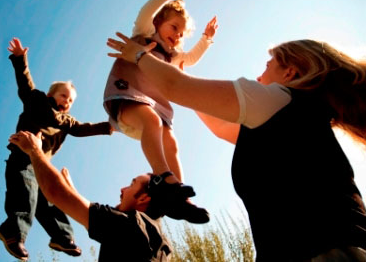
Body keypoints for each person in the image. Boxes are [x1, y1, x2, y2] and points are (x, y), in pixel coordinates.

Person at [107, 33, 366, 261]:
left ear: (290, 73)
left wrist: (138, 54)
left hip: (328, 252)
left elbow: (175, 87)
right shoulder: (285, 115)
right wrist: (182, 76)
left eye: (268, 66)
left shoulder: (279, 98)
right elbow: (218, 124)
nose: (258, 75)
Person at [103, 0, 217, 224]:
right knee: (152, 121)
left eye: (181, 33)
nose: (176, 35)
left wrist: (206, 39)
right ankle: (163, 178)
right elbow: (147, 9)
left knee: (172, 143)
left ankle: (179, 199)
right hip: (128, 99)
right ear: (158, 23)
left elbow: (190, 59)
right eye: (173, 27)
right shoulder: (144, 32)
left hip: (154, 109)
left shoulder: (173, 56)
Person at [0, 38, 113, 261]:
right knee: (26, 195)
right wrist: (20, 59)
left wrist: (110, 127)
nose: (67, 102)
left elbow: (82, 128)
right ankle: (13, 231)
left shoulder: (67, 122)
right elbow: (25, 84)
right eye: (64, 96)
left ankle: (62, 237)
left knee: (51, 199)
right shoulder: (38, 101)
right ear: (52, 95)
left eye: (70, 100)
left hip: (41, 166)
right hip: (22, 159)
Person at [8, 130, 172, 261]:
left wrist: (34, 150)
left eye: (131, 184)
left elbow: (55, 192)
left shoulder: (132, 225)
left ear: (143, 198)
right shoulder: (156, 240)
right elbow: (87, 216)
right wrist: (72, 191)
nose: (122, 189)